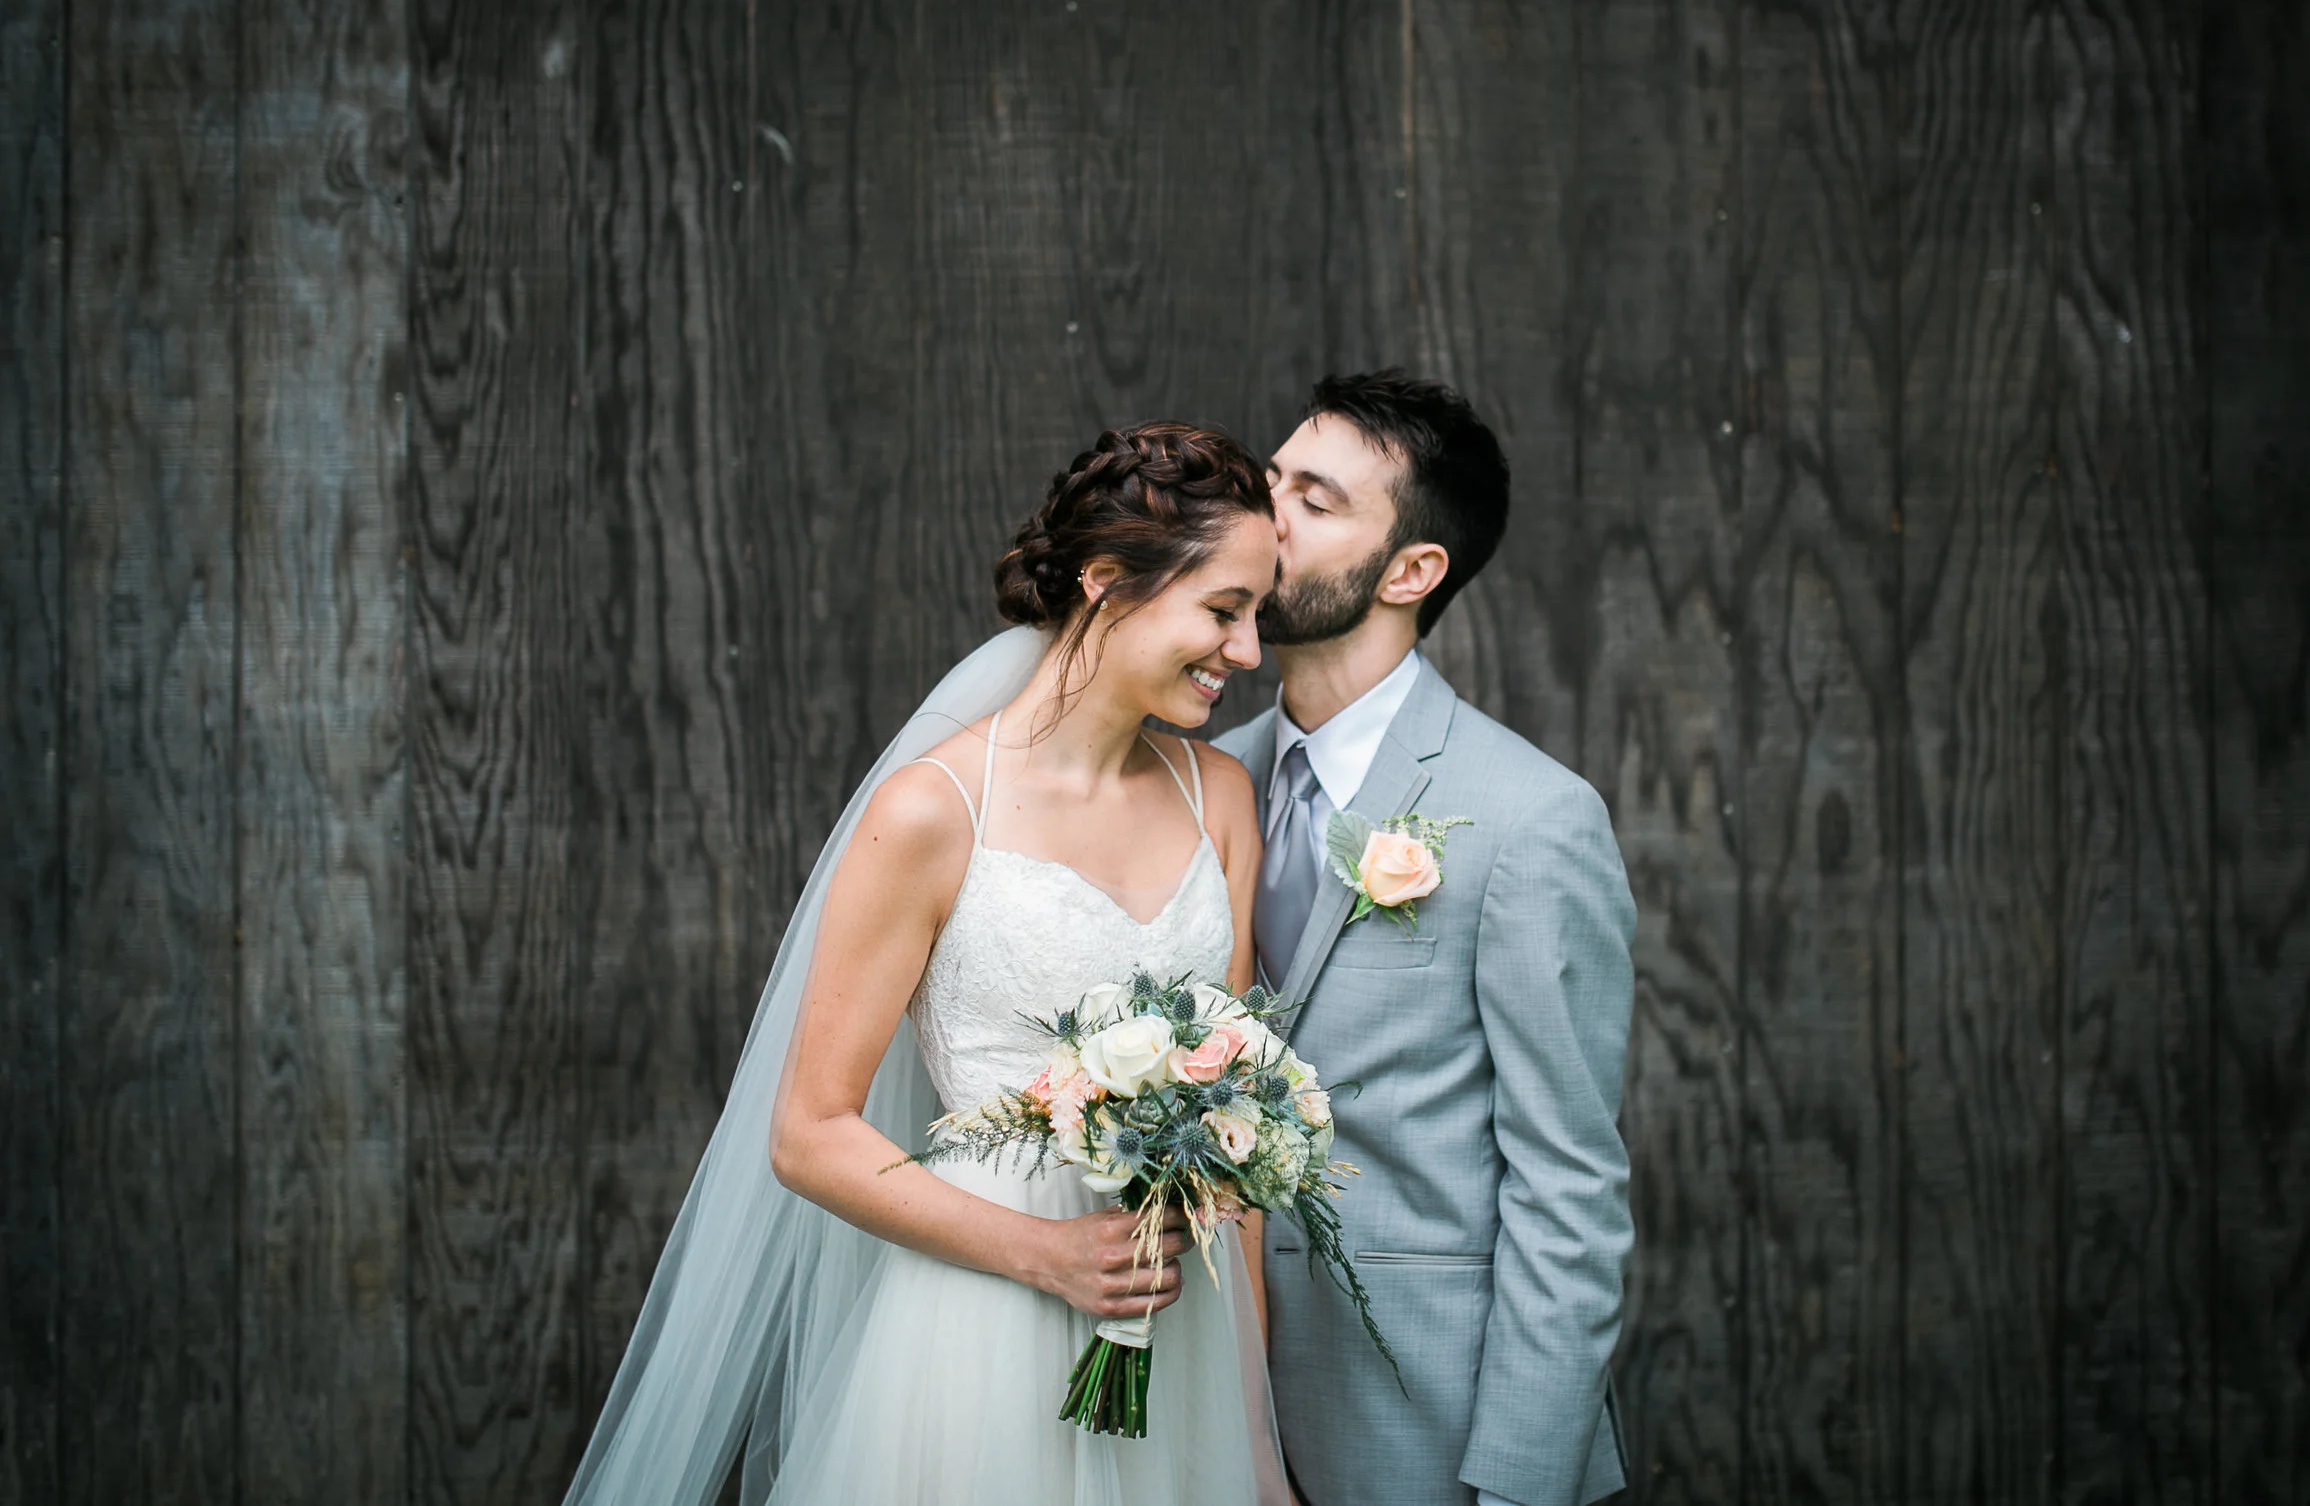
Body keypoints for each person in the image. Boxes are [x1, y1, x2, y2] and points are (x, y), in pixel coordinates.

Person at [564, 422, 1292, 1506]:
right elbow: (809, 1133)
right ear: (1105, 582)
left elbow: (1232, 1148)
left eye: (1257, 616)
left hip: (1175, 1325)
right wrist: (1045, 1251)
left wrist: (1255, 1440)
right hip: (982, 1324)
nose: (1249, 651)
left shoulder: (1218, 797)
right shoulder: (933, 811)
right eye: (1224, 609)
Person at [1215, 370, 1636, 1506]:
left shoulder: (1532, 819)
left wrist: (1518, 1486)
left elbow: (1568, 1186)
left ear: (1410, 570)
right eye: (1268, 482)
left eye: (1314, 501)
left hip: (1425, 1431)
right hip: (1208, 1411)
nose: (1263, 517)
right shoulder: (1199, 785)